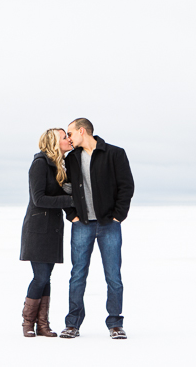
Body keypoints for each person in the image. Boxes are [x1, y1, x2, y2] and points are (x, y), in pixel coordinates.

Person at [60, 118, 134, 340]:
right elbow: (65, 188)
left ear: (82, 131)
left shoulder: (115, 153)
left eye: (71, 134)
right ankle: (72, 324)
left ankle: (115, 323)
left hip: (109, 224)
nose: (69, 139)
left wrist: (118, 216)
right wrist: (71, 215)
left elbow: (126, 186)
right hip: (81, 224)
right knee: (77, 275)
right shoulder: (72, 158)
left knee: (113, 276)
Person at [19, 128, 74, 337]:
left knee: (46, 278)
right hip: (38, 230)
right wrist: (71, 200)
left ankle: (42, 325)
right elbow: (38, 199)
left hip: (52, 229)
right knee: (40, 277)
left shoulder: (57, 166)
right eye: (64, 137)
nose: (68, 140)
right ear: (53, 142)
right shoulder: (40, 164)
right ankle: (27, 324)